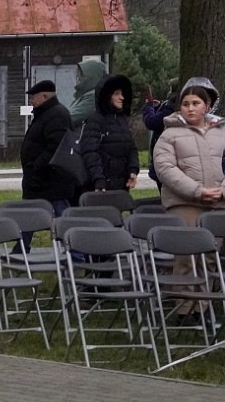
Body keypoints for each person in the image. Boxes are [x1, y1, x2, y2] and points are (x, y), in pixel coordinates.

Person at [153, 81, 225, 320]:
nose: (190, 108)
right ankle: (185, 309)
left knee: (210, 255)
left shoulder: (221, 131)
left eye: (196, 103)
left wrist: (221, 191)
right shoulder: (169, 134)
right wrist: (197, 191)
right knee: (186, 256)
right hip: (184, 203)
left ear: (207, 106)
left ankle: (203, 305)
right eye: (185, 104)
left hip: (218, 203)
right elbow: (165, 169)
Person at [20, 80, 74, 220]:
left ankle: (66, 232)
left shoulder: (57, 115)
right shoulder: (44, 115)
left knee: (61, 216)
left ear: (44, 97)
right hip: (40, 181)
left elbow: (56, 147)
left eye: (33, 97)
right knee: (30, 216)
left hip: (50, 181)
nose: (31, 101)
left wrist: (37, 166)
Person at [79, 74, 139, 193]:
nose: (122, 98)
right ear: (107, 96)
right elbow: (90, 152)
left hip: (121, 186)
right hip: (101, 187)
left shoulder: (122, 120)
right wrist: (98, 179)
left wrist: (132, 170)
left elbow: (131, 148)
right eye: (116, 94)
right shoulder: (95, 120)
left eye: (122, 94)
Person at [68, 59, 108, 128]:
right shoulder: (85, 95)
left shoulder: (93, 97)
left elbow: (72, 118)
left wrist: (52, 119)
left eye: (81, 76)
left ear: (91, 77)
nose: (79, 79)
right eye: (78, 76)